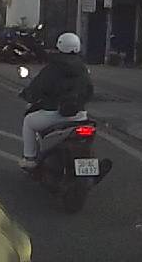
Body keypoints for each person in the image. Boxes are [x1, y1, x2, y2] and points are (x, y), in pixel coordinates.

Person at [18, 32, 93, 170]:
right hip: (79, 116)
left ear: (60, 46)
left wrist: (27, 95)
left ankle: (29, 159)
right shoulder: (83, 68)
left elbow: (37, 88)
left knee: (28, 122)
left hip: (55, 114)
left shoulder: (54, 67)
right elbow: (89, 91)